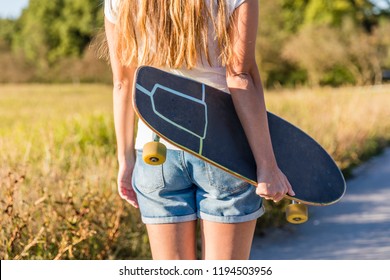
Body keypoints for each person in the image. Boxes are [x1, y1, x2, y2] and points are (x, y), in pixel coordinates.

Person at [104, 0, 294, 260]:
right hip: (223, 152)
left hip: (155, 152)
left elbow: (123, 83)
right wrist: (267, 165)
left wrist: (125, 160)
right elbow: (240, 75)